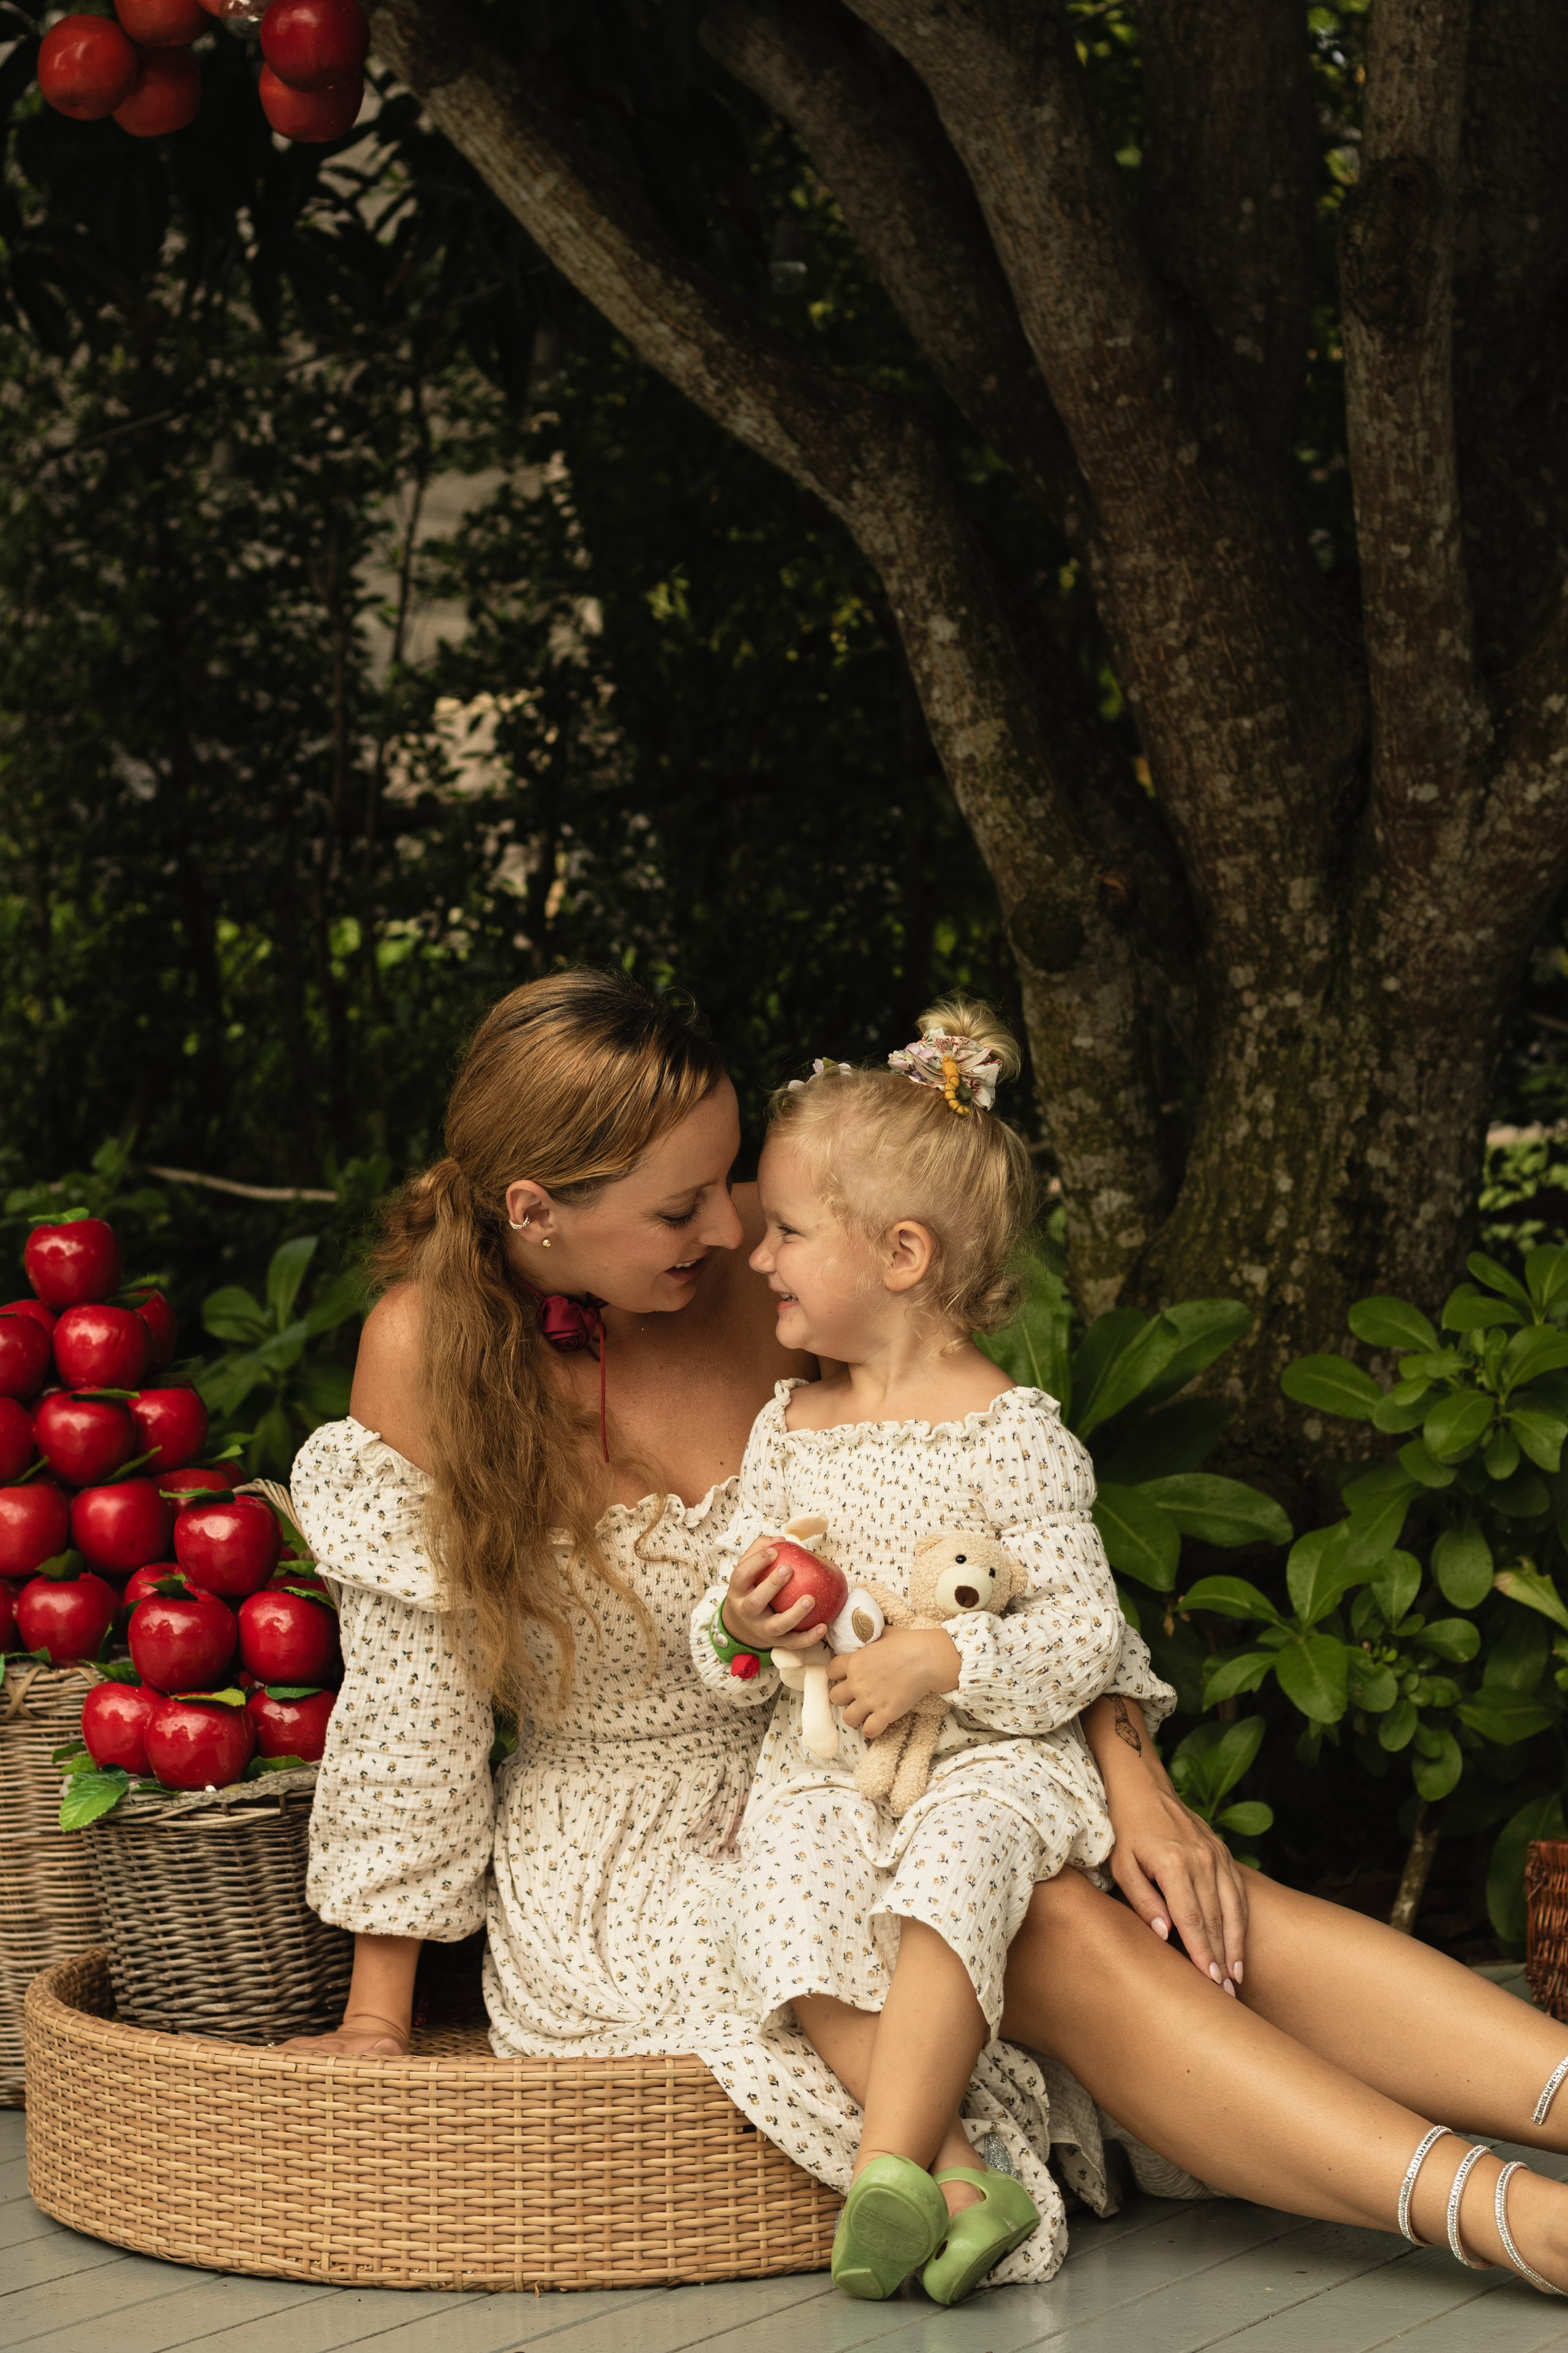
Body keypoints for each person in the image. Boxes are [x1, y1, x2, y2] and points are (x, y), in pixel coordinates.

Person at [285, 965, 1568, 2300]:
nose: (728, 1230)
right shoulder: (424, 1348)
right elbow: (411, 1709)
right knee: (1049, 1923)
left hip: (896, 1735)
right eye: (683, 1205)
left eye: (733, 1186)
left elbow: (1002, 1543)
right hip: (641, 1846)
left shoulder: (776, 1283)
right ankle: (1516, 2221)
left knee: (1175, 1894)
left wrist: (1132, 1778)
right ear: (534, 1211)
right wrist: (380, 2012)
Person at [692, 1000, 1170, 2303]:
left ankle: (884, 2169)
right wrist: (740, 1624)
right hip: (831, 1763)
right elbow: (720, 1612)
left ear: (901, 1252)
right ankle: (961, 2181)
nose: (756, 1254)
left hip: (991, 1764)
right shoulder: (785, 1422)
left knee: (956, 1857)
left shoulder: (1009, 1429)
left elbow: (1080, 1630)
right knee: (779, 1877)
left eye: (788, 1231)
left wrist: (943, 1663)